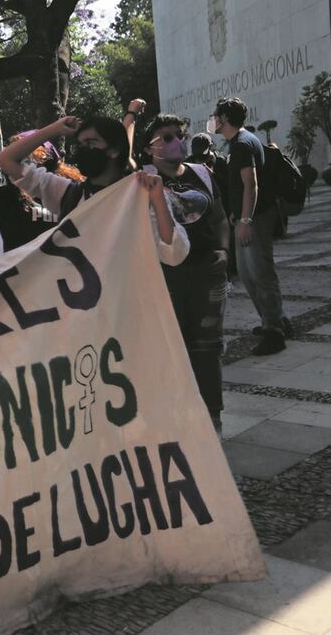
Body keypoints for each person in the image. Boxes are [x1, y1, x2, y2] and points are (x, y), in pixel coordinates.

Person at [0, 113, 189, 267]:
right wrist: (54, 129)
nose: (83, 150)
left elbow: (173, 254)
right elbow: (7, 160)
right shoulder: (70, 195)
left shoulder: (142, 195)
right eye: (80, 145)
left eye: (91, 143)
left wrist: (157, 199)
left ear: (114, 150)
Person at [142, 114, 230, 431]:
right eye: (165, 137)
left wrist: (223, 250)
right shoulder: (142, 179)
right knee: (172, 347)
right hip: (167, 277)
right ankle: (179, 421)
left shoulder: (202, 173)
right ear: (149, 146)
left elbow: (220, 217)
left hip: (208, 273)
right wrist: (129, 117)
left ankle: (212, 417)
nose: (175, 141)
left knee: (208, 346)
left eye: (179, 134)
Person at [210, 97, 289, 355]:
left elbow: (251, 185)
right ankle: (275, 319)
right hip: (248, 216)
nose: (213, 120)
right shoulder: (241, 141)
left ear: (225, 118)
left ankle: (274, 331)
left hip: (256, 219)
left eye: (216, 115)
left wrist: (245, 220)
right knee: (247, 273)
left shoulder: (243, 144)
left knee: (259, 273)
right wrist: (237, 214)